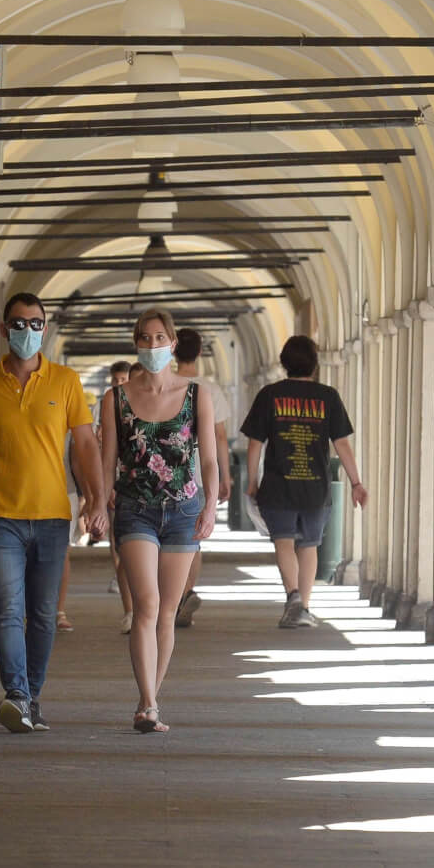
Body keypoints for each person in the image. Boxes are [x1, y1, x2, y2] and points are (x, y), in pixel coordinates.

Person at [0, 294, 105, 733]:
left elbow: (85, 445)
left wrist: (96, 498)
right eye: (18, 323)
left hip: (51, 516)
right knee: (7, 609)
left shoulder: (65, 381)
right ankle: (17, 695)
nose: (26, 331)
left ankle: (32, 696)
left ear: (44, 328)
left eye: (35, 323)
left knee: (43, 614)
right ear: (2, 329)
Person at [87, 309, 217, 733]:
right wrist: (98, 503)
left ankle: (149, 702)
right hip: (135, 509)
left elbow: (209, 458)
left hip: (183, 510)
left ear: (173, 344)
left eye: (160, 337)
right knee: (147, 605)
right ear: (136, 343)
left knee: (167, 612)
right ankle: (148, 701)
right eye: (145, 337)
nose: (153, 344)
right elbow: (107, 459)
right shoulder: (116, 399)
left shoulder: (196, 395)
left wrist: (211, 505)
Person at [240, 335, 369, 628]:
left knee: (283, 541)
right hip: (315, 486)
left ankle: (294, 597)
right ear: (315, 363)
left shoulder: (270, 395)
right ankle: (304, 607)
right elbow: (342, 444)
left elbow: (255, 443)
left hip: (278, 485)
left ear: (284, 363)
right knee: (309, 545)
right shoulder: (328, 397)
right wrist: (356, 482)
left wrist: (252, 481)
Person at [170, 328, 233, 629]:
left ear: (172, 350)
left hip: (169, 473)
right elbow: (219, 437)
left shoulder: (167, 385)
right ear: (199, 353)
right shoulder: (210, 389)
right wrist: (225, 477)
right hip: (200, 475)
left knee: (166, 538)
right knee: (193, 540)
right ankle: (185, 592)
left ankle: (173, 596)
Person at [99, 360, 135, 633]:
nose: (120, 384)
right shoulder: (109, 404)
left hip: (153, 492)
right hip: (120, 486)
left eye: (124, 379)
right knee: (121, 545)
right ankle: (131, 609)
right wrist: (103, 488)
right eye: (116, 380)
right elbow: (102, 448)